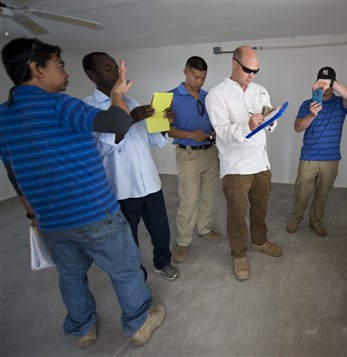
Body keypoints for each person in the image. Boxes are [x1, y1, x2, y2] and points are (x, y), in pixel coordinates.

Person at [0, 38, 165, 348]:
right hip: (93, 210)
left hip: (53, 219)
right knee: (125, 268)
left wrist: (32, 212)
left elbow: (13, 171)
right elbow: (117, 120)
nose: (65, 72)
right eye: (59, 65)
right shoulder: (62, 105)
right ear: (36, 69)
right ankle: (139, 322)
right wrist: (118, 93)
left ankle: (82, 327)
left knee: (71, 275)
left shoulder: (3, 116)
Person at [82, 52, 179, 281]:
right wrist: (129, 119)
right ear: (91, 74)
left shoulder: (132, 102)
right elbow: (101, 149)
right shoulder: (90, 108)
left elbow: (154, 140)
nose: (115, 72)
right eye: (107, 68)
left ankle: (162, 262)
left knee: (161, 230)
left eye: (115, 67)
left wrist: (166, 124)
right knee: (128, 236)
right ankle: (136, 274)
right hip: (122, 188)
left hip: (150, 183)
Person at [206, 45, 283, 281]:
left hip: (261, 163)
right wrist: (246, 126)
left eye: (256, 70)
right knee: (237, 214)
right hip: (236, 166)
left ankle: (260, 241)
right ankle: (239, 254)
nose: (252, 75)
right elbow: (221, 132)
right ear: (234, 63)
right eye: (248, 69)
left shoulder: (260, 90)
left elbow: (269, 124)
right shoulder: (216, 95)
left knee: (260, 208)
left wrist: (271, 120)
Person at [286, 66, 347, 237]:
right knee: (302, 192)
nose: (324, 87)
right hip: (308, 158)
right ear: (316, 83)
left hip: (330, 160)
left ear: (333, 83)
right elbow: (297, 127)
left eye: (327, 83)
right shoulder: (307, 104)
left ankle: (315, 221)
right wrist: (311, 115)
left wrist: (331, 83)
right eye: (321, 83)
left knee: (322, 195)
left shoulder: (341, 104)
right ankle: (296, 219)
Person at [168, 56, 220, 263]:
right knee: (189, 199)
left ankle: (205, 228)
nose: (199, 82)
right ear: (185, 72)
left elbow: (214, 122)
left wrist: (215, 131)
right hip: (188, 154)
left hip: (210, 152)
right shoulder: (170, 97)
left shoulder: (209, 97)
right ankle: (183, 241)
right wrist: (190, 135)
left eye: (203, 78)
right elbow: (163, 130)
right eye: (196, 77)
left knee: (209, 194)